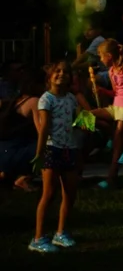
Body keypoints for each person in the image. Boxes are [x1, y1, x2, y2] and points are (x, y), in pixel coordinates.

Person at [30, 61, 82, 253]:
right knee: (49, 194)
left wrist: (94, 121)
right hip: (53, 149)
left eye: (65, 72)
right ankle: (37, 238)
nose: (62, 74)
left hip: (70, 149)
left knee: (69, 193)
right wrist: (39, 154)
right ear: (49, 77)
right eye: (57, 71)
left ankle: (60, 233)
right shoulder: (45, 99)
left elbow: (81, 121)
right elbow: (44, 128)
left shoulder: (71, 98)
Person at [91, 39, 123, 189]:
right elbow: (116, 92)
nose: (100, 59)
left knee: (118, 144)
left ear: (109, 56)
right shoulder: (112, 72)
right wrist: (102, 91)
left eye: (101, 56)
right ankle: (111, 135)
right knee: (87, 115)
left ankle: (111, 178)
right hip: (117, 105)